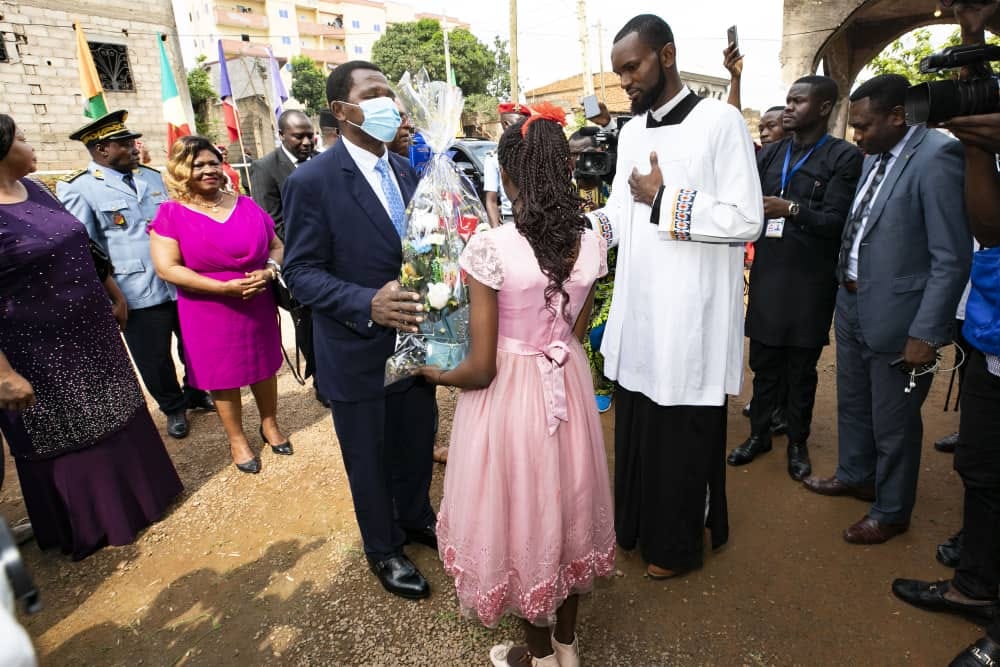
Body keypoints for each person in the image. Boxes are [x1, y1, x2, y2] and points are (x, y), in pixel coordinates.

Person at [425, 103, 615, 667]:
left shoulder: (492, 246)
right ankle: (566, 645)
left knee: (526, 513)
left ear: (509, 177)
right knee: (570, 504)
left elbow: (480, 368)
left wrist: (427, 369)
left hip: (511, 394)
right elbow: (575, 332)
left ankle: (535, 658)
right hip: (567, 381)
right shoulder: (593, 237)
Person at [591, 14, 763, 580]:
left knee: (681, 437)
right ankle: (636, 527)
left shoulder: (721, 122)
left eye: (632, 67)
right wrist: (578, 232)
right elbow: (619, 211)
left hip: (690, 315)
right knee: (639, 428)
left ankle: (678, 544)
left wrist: (667, 199)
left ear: (666, 55)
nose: (625, 82)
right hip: (642, 310)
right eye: (619, 74)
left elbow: (748, 218)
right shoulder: (632, 131)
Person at [281, 61, 437, 600]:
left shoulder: (409, 170)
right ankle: (384, 548)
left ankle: (417, 516)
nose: (389, 104)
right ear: (343, 110)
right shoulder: (313, 181)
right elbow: (299, 272)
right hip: (355, 347)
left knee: (416, 440)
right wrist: (364, 303)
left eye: (391, 93)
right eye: (374, 95)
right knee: (368, 458)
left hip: (415, 344)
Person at [0, 114, 182, 560]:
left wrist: (113, 291)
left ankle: (143, 499)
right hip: (35, 348)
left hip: (93, 330)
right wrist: (2, 371)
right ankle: (94, 521)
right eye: (22, 138)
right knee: (63, 428)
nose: (32, 145)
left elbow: (86, 247)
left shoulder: (39, 191)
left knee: (116, 408)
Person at [802, 74, 972, 544]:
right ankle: (856, 474)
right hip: (853, 302)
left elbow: (951, 256)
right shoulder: (875, 157)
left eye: (864, 125)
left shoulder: (937, 156)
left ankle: (892, 509)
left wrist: (927, 331)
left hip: (901, 318)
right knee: (853, 404)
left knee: (895, 421)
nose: (856, 135)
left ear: (898, 116)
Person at [889, 4, 1000, 665]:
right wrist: (971, 40)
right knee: (981, 471)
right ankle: (975, 586)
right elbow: (989, 228)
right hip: (991, 334)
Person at [727, 76, 863, 481]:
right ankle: (759, 435)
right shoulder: (771, 155)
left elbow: (838, 222)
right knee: (764, 362)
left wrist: (791, 210)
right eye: (787, 100)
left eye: (798, 101)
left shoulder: (843, 158)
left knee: (801, 369)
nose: (788, 108)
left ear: (823, 108)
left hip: (810, 282)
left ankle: (798, 444)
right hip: (769, 276)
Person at [56, 110, 214, 441]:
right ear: (102, 150)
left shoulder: (152, 178)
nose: (133, 147)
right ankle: (173, 407)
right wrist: (109, 295)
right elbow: (88, 250)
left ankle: (197, 391)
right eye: (125, 144)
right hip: (136, 290)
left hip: (180, 282)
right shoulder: (80, 188)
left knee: (195, 344)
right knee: (153, 357)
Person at [148, 136, 288, 474]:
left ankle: (269, 424)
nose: (209, 170)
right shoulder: (171, 213)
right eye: (198, 165)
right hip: (208, 307)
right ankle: (237, 438)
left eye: (213, 162)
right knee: (223, 375)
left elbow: (276, 246)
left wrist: (270, 271)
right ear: (183, 170)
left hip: (256, 300)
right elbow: (167, 267)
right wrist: (220, 287)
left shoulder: (245, 204)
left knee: (265, 366)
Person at [249, 110, 324, 405]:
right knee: (306, 321)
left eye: (310, 135)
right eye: (298, 136)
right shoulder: (265, 168)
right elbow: (272, 222)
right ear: (282, 135)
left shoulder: (322, 161)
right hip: (297, 260)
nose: (306, 141)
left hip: (332, 256)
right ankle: (320, 377)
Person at [568, 129, 617, 413]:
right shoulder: (565, 187)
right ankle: (592, 383)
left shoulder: (614, 186)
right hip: (579, 276)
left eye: (583, 153)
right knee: (581, 335)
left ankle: (604, 385)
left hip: (614, 276)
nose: (577, 160)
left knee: (599, 334)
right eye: (572, 153)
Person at [484, 103, 532, 227]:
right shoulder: (494, 158)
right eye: (518, 122)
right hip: (510, 220)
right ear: (505, 124)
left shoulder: (535, 152)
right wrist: (496, 232)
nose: (523, 126)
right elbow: (491, 200)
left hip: (538, 217)